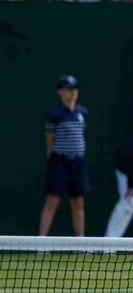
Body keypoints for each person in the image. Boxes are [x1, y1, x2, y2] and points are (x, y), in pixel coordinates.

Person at [38, 75, 89, 237]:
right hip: (59, 162)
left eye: (74, 89)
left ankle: (81, 243)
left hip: (78, 163)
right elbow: (49, 139)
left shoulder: (83, 112)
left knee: (78, 202)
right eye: (68, 89)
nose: (72, 92)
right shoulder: (54, 115)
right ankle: (41, 243)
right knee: (52, 202)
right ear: (60, 92)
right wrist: (52, 157)